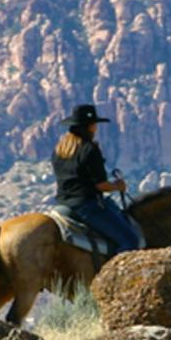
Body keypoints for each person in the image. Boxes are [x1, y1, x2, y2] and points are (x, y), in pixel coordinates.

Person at [51, 103, 140, 253]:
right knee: (130, 240)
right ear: (90, 127)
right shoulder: (89, 149)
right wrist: (118, 186)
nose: (96, 128)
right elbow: (101, 185)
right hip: (86, 206)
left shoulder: (60, 150)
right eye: (94, 125)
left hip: (63, 204)